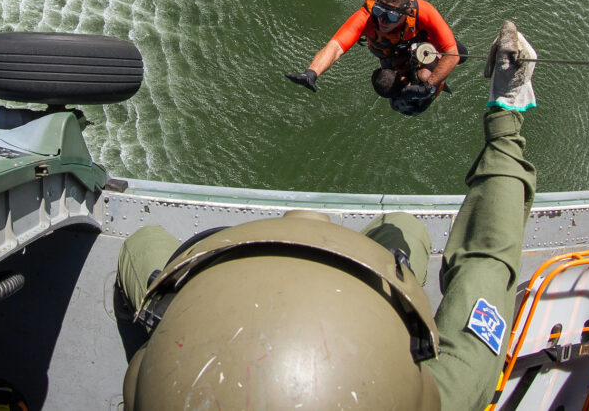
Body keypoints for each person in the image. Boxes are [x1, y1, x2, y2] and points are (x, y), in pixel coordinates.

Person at [117, 21, 539, 410]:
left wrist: (505, 114)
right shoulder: (398, 39)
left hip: (216, 299)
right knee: (404, 228)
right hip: (248, 291)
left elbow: (485, 276)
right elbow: (486, 266)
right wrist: (505, 110)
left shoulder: (394, 35)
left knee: (142, 242)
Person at [285, 0, 474, 116]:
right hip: (392, 54)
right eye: (379, 12)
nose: (382, 21)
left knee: (460, 55)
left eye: (391, 16)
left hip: (418, 44)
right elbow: (335, 46)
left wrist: (429, 86)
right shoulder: (366, 17)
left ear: (406, 11)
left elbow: (453, 55)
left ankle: (431, 81)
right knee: (402, 100)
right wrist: (312, 72)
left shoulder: (424, 11)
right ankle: (417, 84)